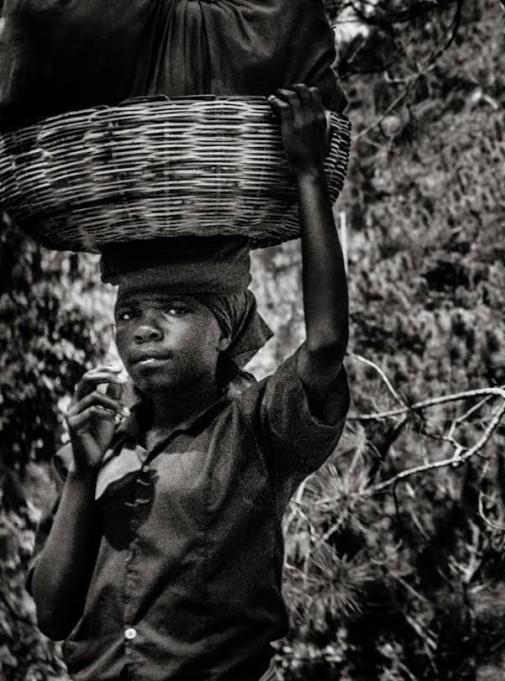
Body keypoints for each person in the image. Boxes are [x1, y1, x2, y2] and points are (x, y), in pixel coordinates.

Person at [28, 84, 349, 681]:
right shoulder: (95, 441)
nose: (143, 331)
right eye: (128, 315)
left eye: (173, 310)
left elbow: (326, 342)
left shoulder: (257, 425)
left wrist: (307, 173)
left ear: (223, 331)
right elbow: (51, 613)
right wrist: (81, 473)